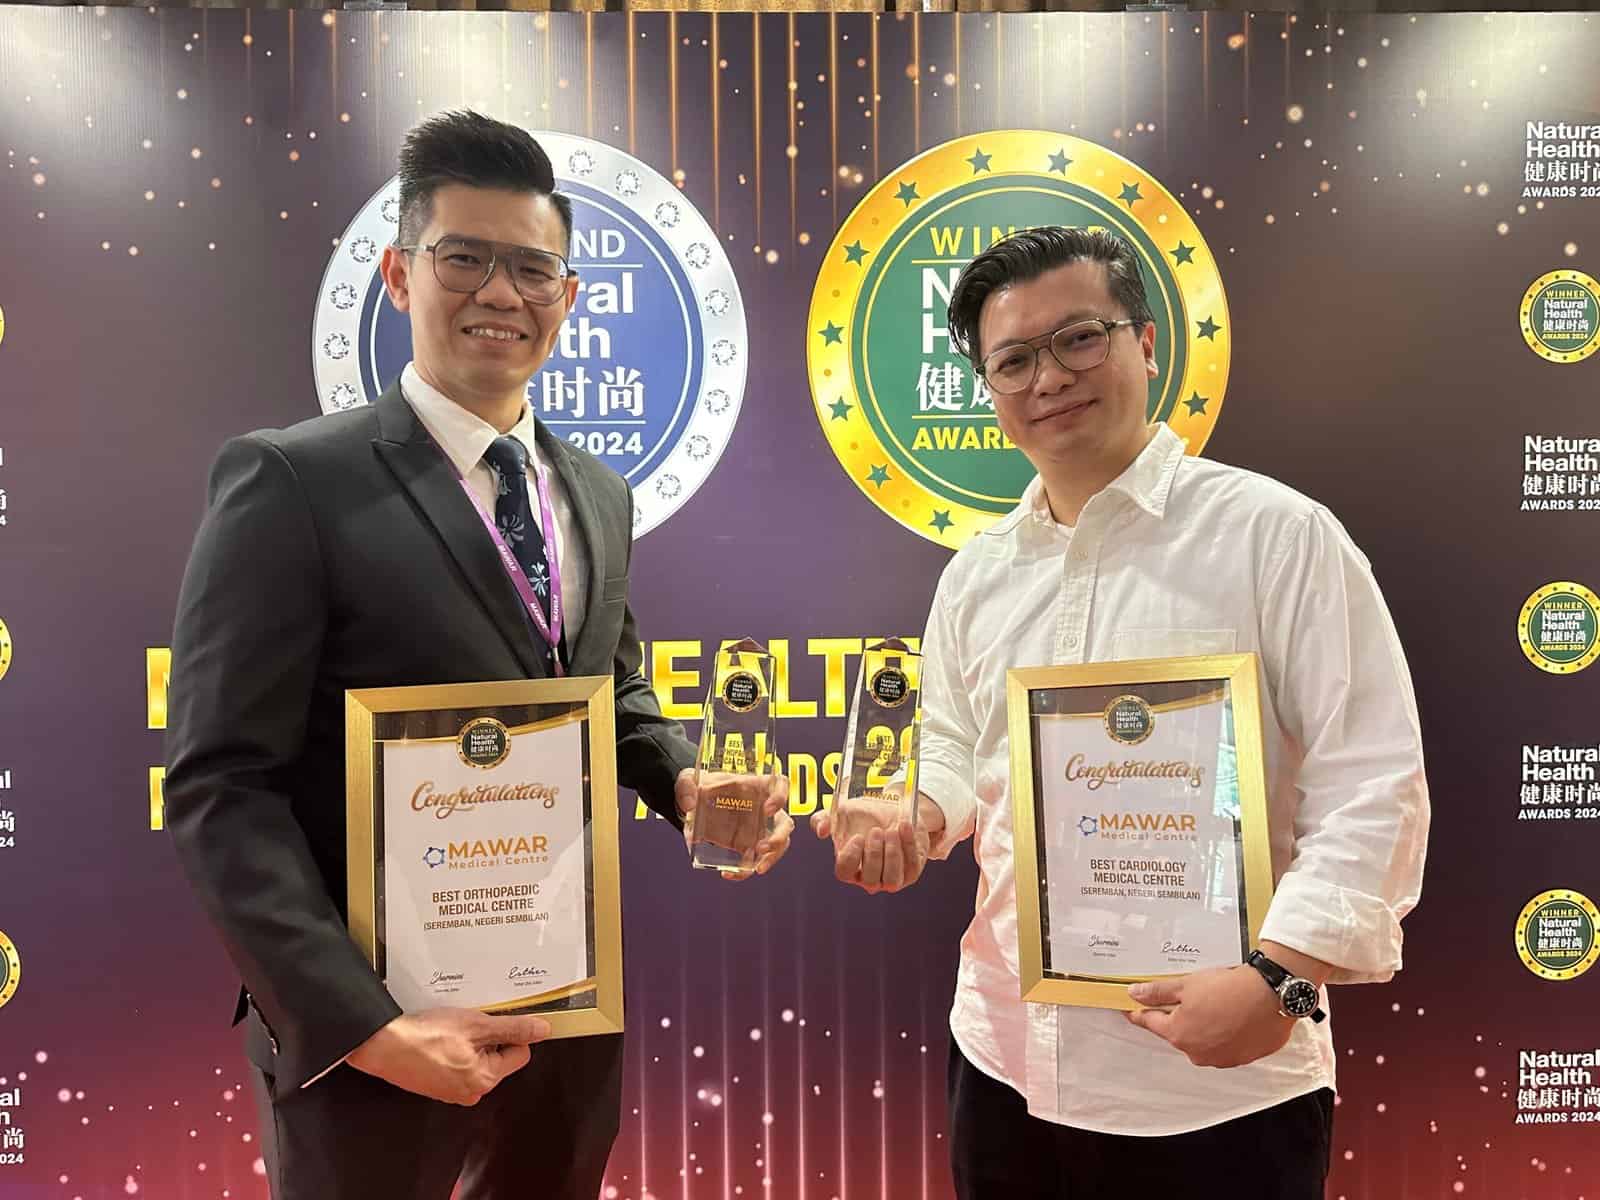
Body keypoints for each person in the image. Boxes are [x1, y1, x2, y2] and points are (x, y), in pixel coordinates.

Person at [164, 109, 793, 1200]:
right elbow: (223, 785)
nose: (502, 293)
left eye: (533, 269)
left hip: (564, 1012)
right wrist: (364, 1028)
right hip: (380, 1038)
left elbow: (610, 687)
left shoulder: (596, 492)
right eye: (465, 258)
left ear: (569, 297)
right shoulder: (292, 481)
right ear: (400, 274)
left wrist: (682, 779)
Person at [813, 226, 1429, 1197]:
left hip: (1216, 1086)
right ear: (988, 389)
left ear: (1144, 342)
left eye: (1078, 339)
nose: (1048, 378)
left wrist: (1280, 978)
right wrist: (915, 811)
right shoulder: (978, 574)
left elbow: (1372, 785)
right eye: (1013, 360)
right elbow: (956, 745)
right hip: (1003, 1061)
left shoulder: (1276, 537)